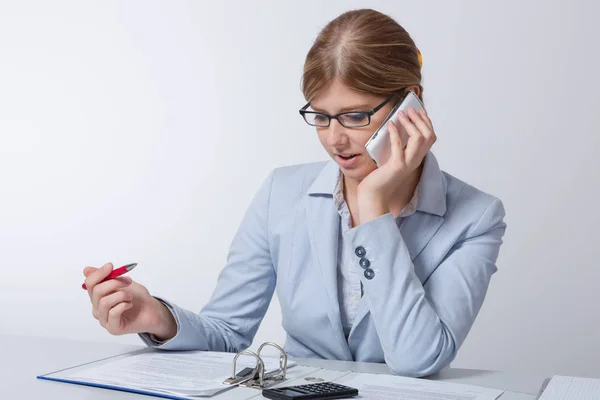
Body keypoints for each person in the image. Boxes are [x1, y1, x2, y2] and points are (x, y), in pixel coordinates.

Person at [82, 8, 506, 377]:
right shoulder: (281, 194)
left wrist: (374, 210)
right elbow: (227, 333)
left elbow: (419, 359)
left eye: (355, 116)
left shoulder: (475, 217)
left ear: (410, 104)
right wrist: (157, 318)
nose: (334, 140)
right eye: (321, 117)